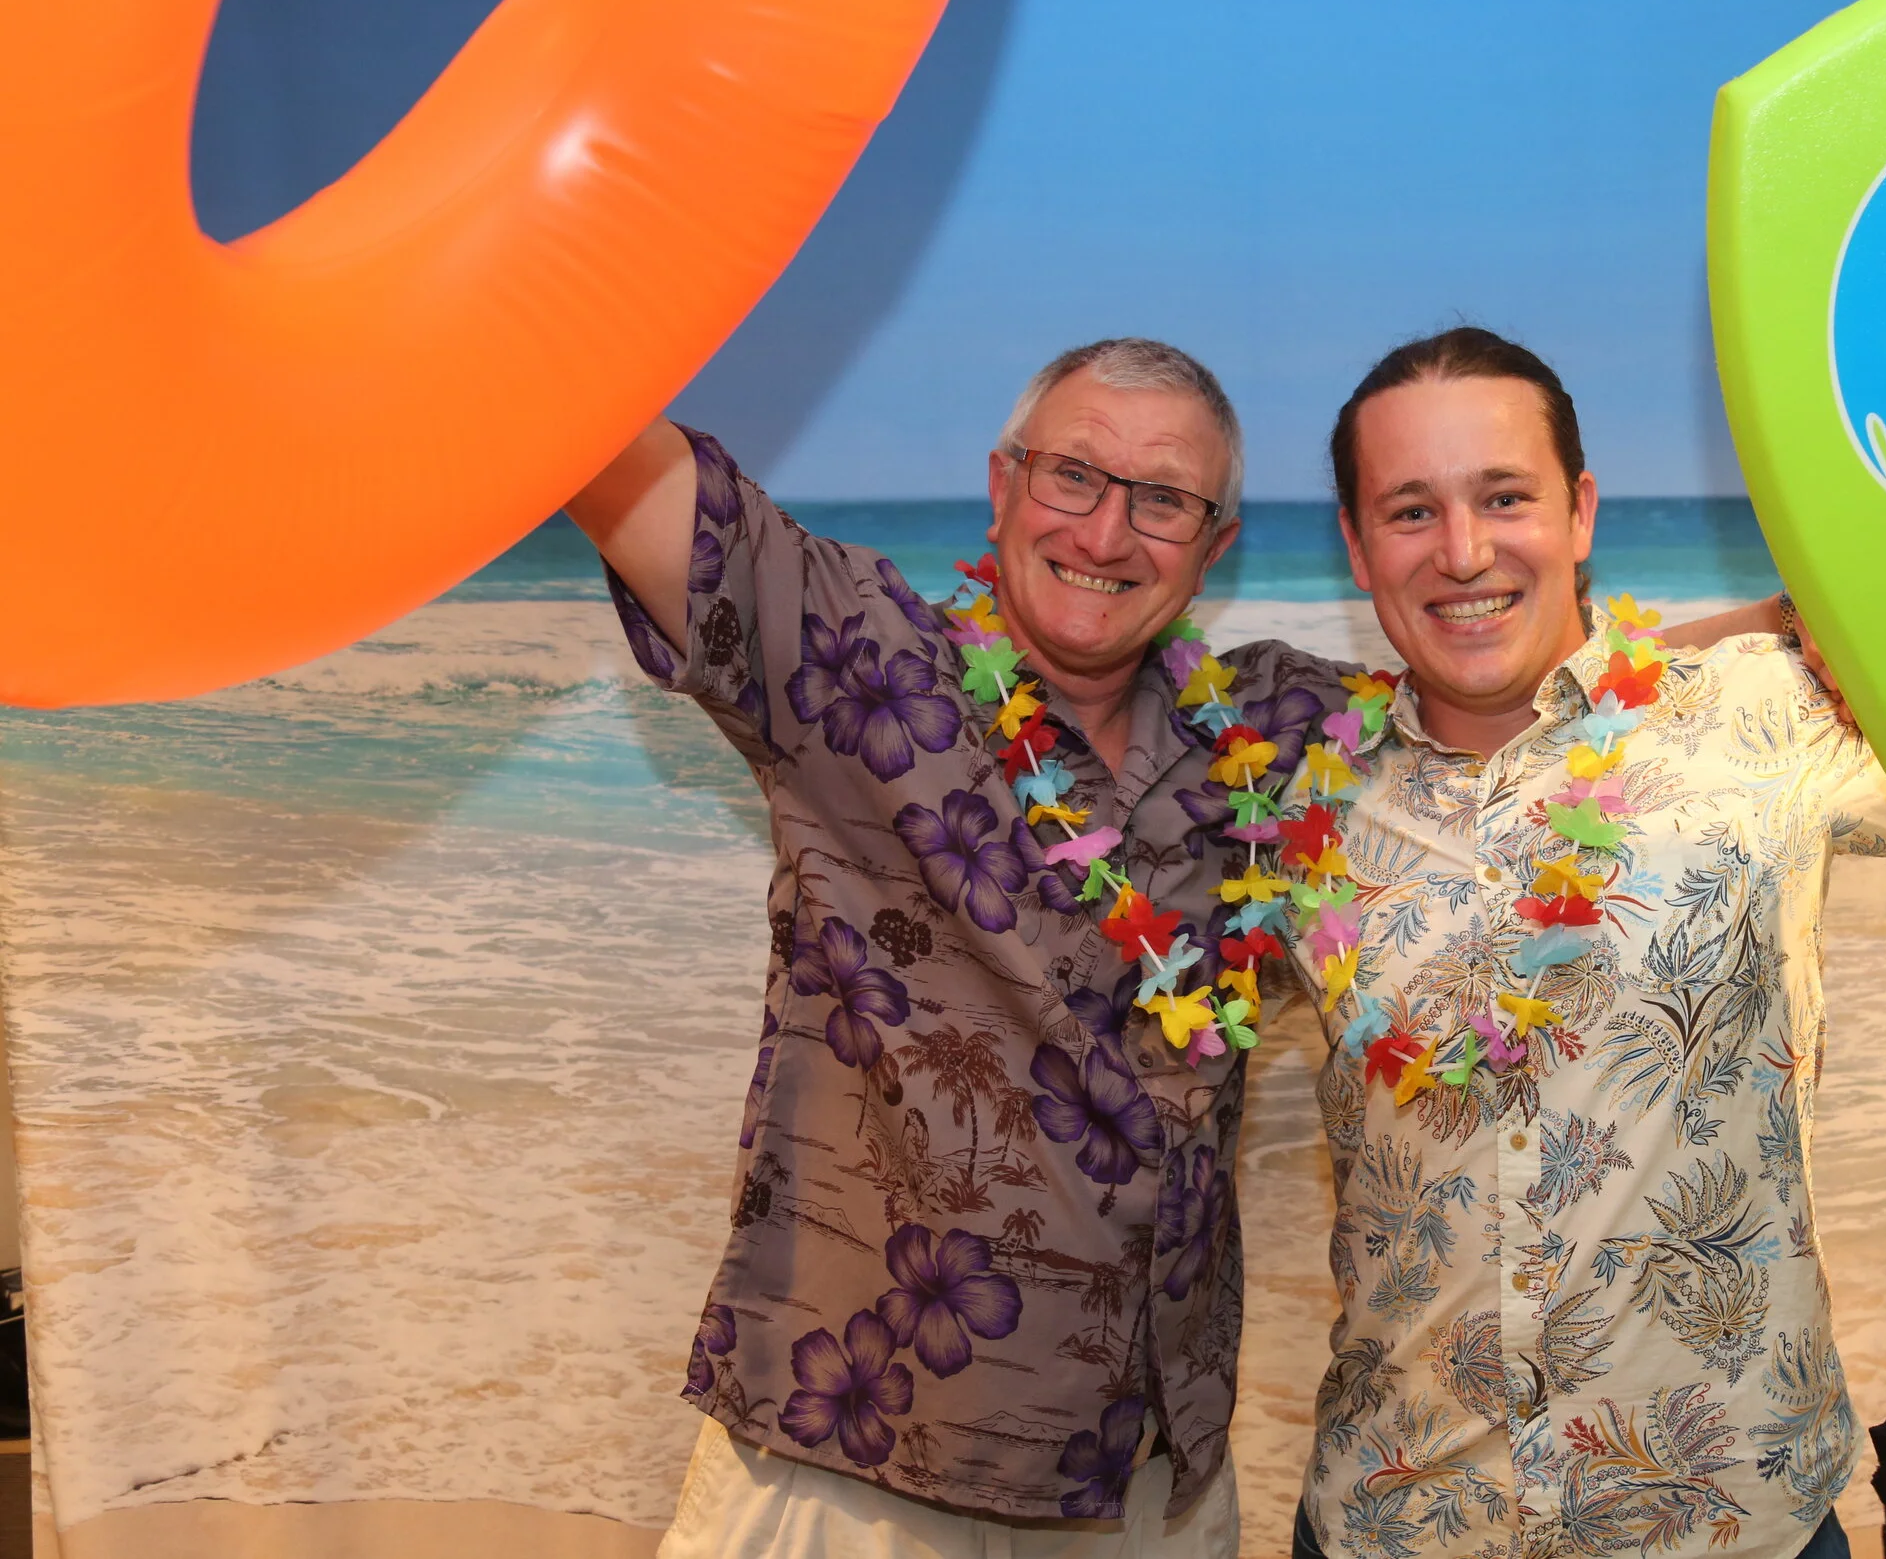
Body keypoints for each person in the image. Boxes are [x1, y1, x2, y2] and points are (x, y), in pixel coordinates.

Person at [565, 337, 1791, 1558]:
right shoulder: (854, 660)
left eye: (1163, 500)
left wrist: (1797, 630)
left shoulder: (1267, 731)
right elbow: (590, 430)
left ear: (1213, 549)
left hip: (1155, 1477)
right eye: (1072, 475)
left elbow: (1515, 680)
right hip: (858, 1462)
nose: (1106, 533)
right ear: (1002, 484)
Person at [1278, 329, 1886, 1559]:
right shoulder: (1298, 803)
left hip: (1728, 1519)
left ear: (1578, 510)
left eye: (1503, 497)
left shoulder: (1765, 712)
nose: (1463, 551)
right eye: (1410, 510)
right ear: (1357, 546)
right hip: (1401, 1520)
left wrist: (1843, 622)